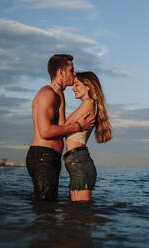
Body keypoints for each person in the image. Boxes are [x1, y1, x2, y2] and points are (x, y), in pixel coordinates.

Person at [26, 54, 95, 201]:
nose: (74, 73)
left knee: (50, 206)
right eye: (71, 70)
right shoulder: (48, 94)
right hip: (42, 157)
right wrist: (77, 126)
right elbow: (46, 131)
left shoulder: (59, 95)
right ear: (61, 72)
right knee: (45, 209)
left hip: (51, 157)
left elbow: (63, 127)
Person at [63, 71, 112, 201]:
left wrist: (60, 100)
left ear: (88, 86)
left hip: (79, 161)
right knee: (76, 213)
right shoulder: (88, 104)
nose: (73, 89)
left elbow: (64, 127)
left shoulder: (88, 103)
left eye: (76, 85)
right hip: (77, 160)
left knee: (80, 212)